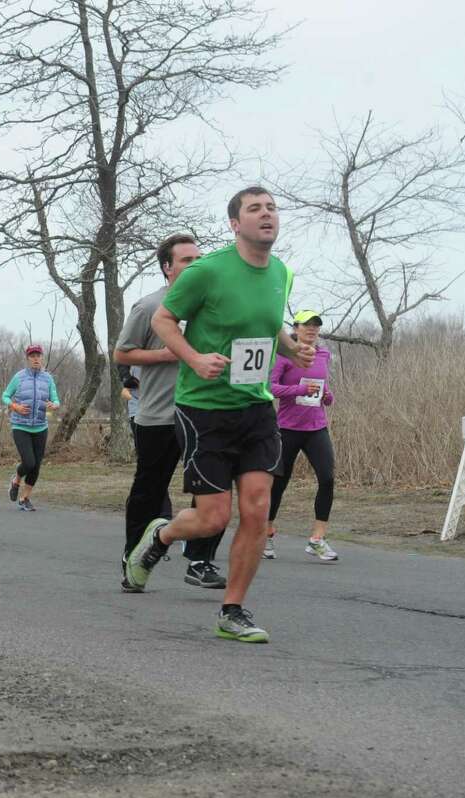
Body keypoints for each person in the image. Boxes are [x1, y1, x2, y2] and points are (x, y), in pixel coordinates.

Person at [125, 187, 315, 644]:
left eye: (271, 208)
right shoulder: (207, 272)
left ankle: (232, 610)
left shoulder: (282, 273)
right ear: (235, 224)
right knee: (212, 518)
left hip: (255, 407)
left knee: (256, 508)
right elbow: (163, 322)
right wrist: (193, 358)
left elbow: (268, 322)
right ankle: (160, 537)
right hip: (204, 408)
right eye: (255, 209)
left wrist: (294, 347)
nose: (266, 215)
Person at [115, 234, 226, 592]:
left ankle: (200, 560)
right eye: (186, 260)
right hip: (159, 414)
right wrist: (165, 355)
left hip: (204, 412)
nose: (196, 265)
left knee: (214, 488)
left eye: (199, 258)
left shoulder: (212, 307)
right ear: (167, 267)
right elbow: (122, 353)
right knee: (149, 488)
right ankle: (134, 553)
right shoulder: (149, 307)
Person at [266, 310, 338, 561]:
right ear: (295, 328)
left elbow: (320, 384)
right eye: (306, 325)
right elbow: (270, 388)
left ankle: (317, 538)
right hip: (287, 427)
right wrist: (297, 390)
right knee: (278, 483)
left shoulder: (323, 354)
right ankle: (266, 533)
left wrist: (327, 395)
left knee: (327, 478)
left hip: (316, 426)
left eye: (316, 325)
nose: (311, 329)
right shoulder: (285, 355)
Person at [2, 344, 60, 512]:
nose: (35, 358)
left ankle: (24, 498)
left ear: (42, 358)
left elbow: (56, 399)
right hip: (20, 426)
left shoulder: (48, 379)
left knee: (36, 465)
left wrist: (54, 405)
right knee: (29, 462)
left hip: (41, 427)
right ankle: (16, 480)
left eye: (38, 355)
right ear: (27, 359)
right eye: (32, 356)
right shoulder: (19, 377)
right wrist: (15, 406)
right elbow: (5, 395)